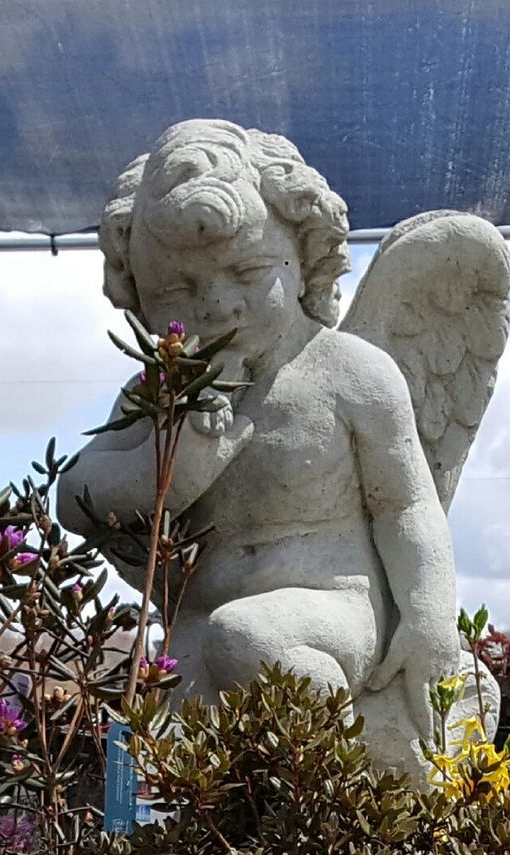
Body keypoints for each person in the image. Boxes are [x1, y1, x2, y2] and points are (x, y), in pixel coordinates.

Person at [58, 119, 460, 769]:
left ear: (304, 254)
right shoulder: (160, 393)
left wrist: (429, 621)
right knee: (165, 710)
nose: (216, 305)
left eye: (246, 270)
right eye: (177, 291)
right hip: (197, 621)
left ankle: (331, 780)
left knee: (247, 637)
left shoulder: (349, 372)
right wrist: (172, 463)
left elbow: (408, 506)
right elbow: (76, 495)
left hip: (332, 614)